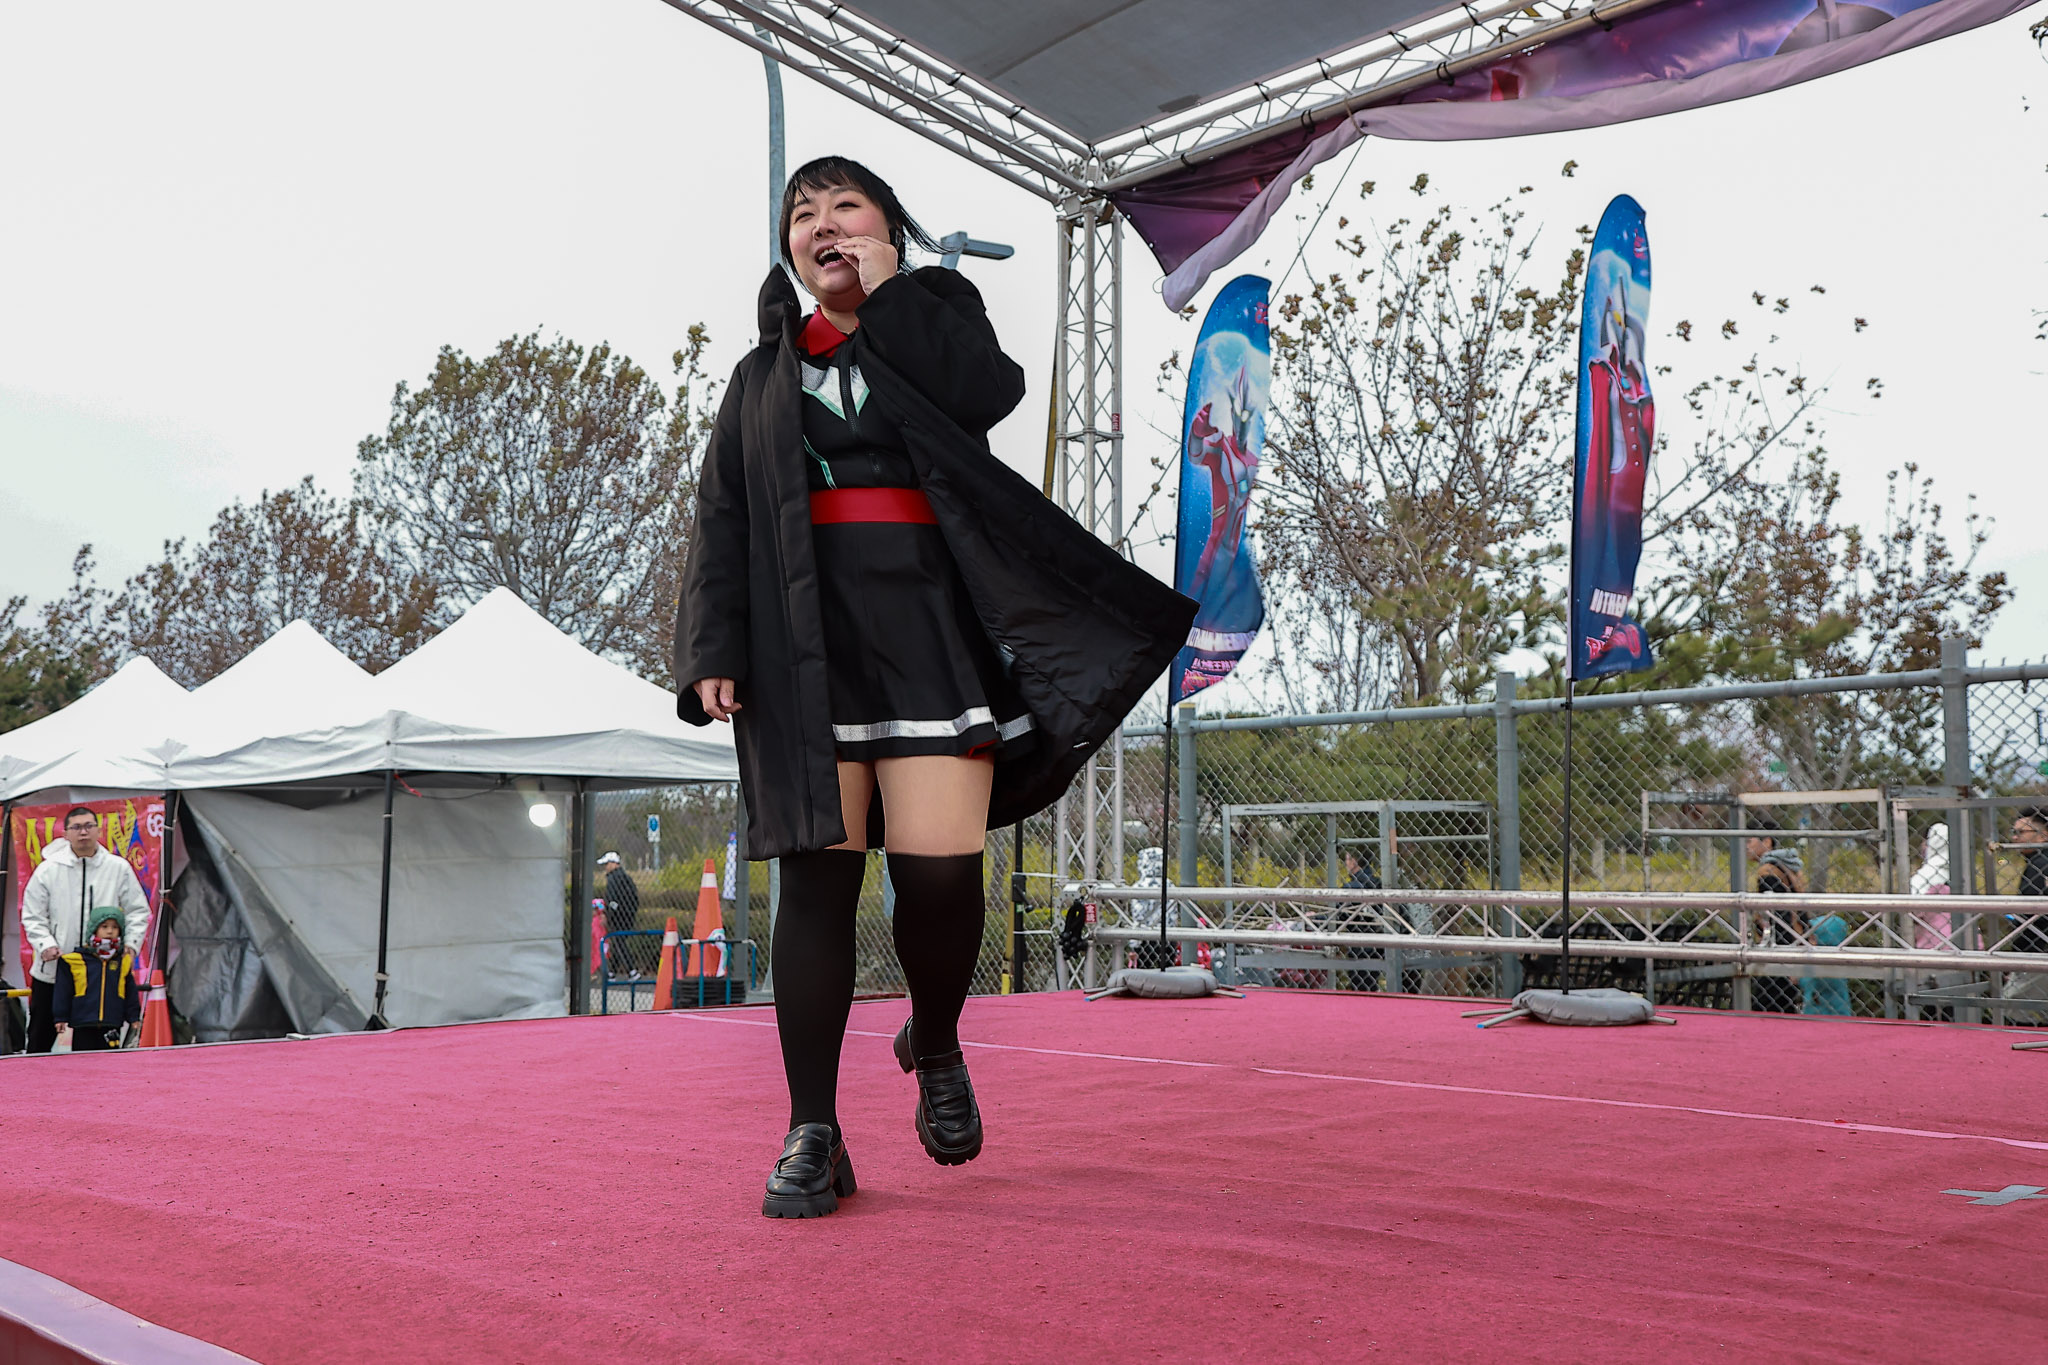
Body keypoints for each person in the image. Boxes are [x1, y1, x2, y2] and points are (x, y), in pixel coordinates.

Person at [673, 156, 1194, 1219]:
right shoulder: (759, 375)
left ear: (887, 228)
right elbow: (723, 515)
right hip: (803, 650)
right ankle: (811, 1131)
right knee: (817, 887)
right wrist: (711, 649)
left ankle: (939, 1039)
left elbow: (986, 395)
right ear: (789, 247)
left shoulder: (935, 312)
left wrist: (895, 295)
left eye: (845, 206)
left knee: (943, 878)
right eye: (803, 213)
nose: (822, 224)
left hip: (929, 636)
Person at [20, 807, 152, 1054]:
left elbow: (138, 911)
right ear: (65, 833)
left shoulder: (118, 868)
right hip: (55, 969)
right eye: (77, 827)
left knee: (96, 1048)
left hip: (100, 974)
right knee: (39, 1041)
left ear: (98, 830)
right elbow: (32, 914)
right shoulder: (48, 870)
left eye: (89, 826)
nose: (83, 832)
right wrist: (45, 944)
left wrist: (131, 945)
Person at [52, 911, 141, 1052]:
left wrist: (134, 1017)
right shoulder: (74, 960)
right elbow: (63, 990)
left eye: (115, 927)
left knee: (110, 1060)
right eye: (104, 927)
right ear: (94, 929)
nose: (110, 931)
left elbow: (130, 992)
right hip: (83, 1022)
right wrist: (60, 1017)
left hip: (112, 1021)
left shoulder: (123, 961)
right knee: (82, 1060)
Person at [1744, 821, 1805, 1014]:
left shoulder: (1768, 871)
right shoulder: (1788, 866)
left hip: (1778, 946)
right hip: (1796, 940)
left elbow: (1778, 916)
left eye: (1749, 841)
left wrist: (1784, 958)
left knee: (1767, 1006)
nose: (1745, 847)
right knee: (1783, 1006)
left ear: (1767, 842)